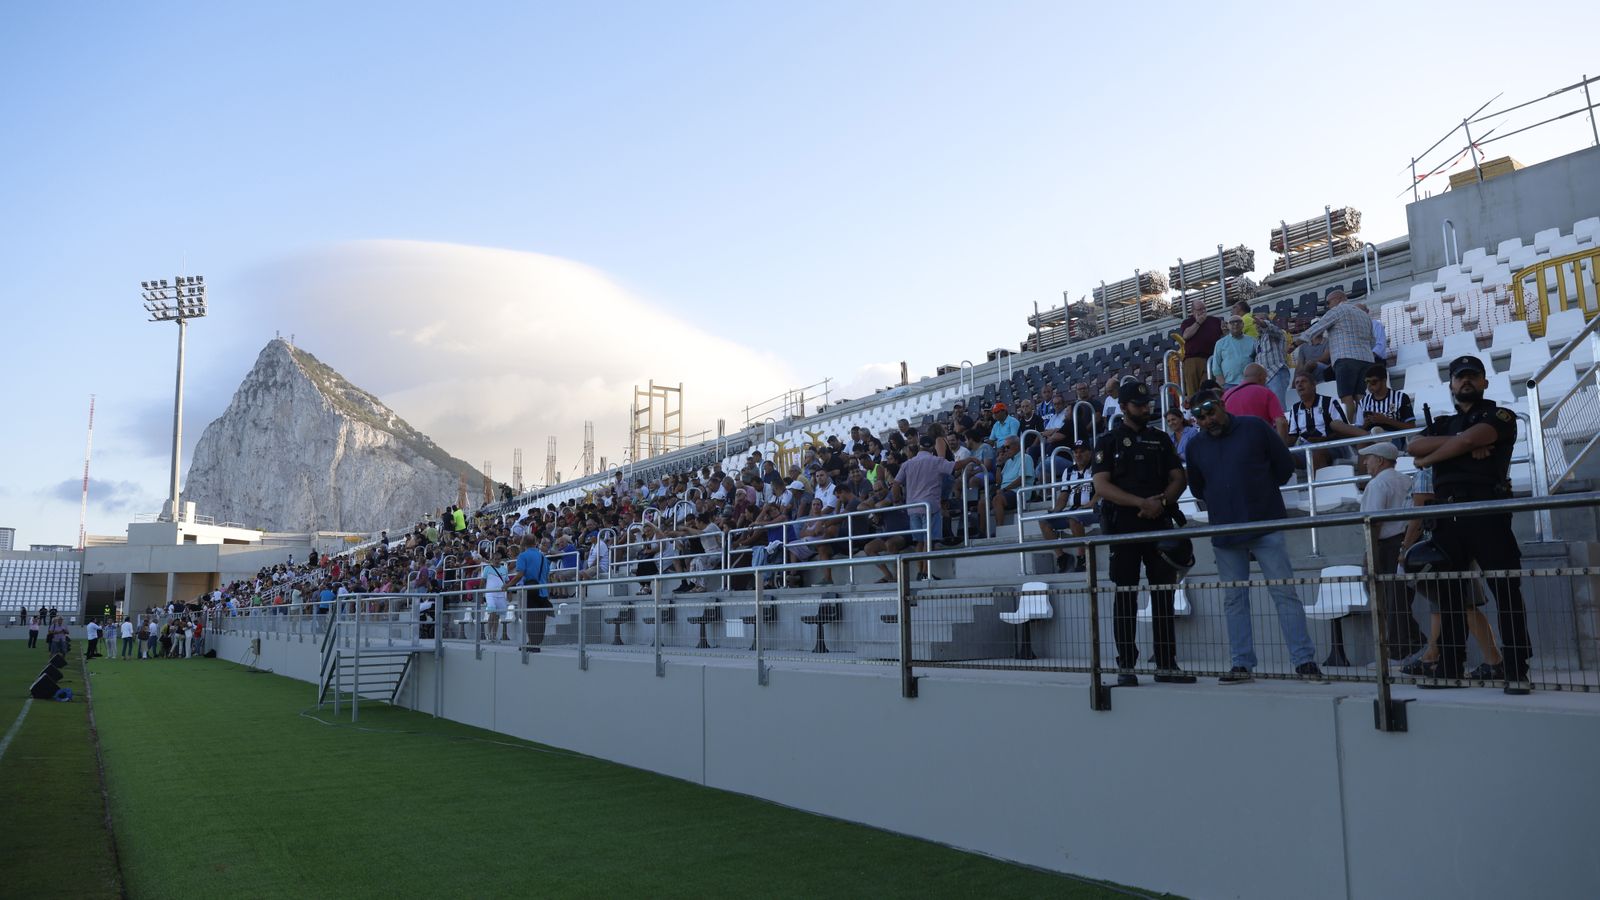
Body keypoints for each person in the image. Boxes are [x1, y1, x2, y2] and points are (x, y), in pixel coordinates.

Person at [1405, 355, 1531, 693]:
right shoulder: (1443, 422)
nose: (1466, 382)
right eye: (1460, 377)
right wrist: (1463, 444)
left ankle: (1517, 670)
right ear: (1451, 384)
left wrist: (1429, 459)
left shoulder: (1499, 415)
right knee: (1449, 597)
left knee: (1506, 591)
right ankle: (1448, 666)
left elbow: (1449, 445)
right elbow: (1412, 444)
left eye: (1472, 376)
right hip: (1448, 517)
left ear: (1484, 381)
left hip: (1487, 512)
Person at [1183, 392, 1321, 683]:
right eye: (1201, 416)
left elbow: (1283, 467)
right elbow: (1198, 488)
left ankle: (1304, 660)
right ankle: (1241, 664)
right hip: (1225, 533)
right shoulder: (1195, 446)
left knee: (1285, 594)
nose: (1208, 420)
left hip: (1265, 526)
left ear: (1222, 406)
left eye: (1210, 412)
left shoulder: (1255, 427)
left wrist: (1257, 494)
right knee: (1234, 600)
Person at [1091, 382, 1195, 686]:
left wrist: (1160, 502)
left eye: (1147, 403)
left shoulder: (1160, 439)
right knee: (1125, 596)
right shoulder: (1108, 441)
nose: (1146, 409)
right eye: (1138, 405)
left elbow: (1179, 477)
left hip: (1158, 523)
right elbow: (1102, 486)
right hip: (1124, 527)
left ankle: (1166, 664)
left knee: (1163, 595)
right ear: (1124, 408)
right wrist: (1141, 503)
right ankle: (1127, 665)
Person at [1397, 462, 1505, 680]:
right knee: (1441, 605)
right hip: (1452, 542)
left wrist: (1406, 546)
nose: (1412, 452)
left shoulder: (1429, 473)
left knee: (1465, 605)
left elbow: (1420, 511)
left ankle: (1494, 661)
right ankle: (1432, 655)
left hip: (1443, 547)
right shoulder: (1449, 470)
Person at [1356, 443, 1426, 661]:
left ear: (1380, 460)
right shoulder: (1406, 479)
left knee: (1391, 600)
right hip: (1409, 539)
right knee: (1398, 598)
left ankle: (1399, 652)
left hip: (1387, 545)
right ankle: (1414, 643)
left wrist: (1369, 552)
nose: (1365, 462)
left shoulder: (1378, 483)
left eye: (1369, 458)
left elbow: (1373, 522)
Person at [896, 435, 981, 579]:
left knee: (919, 541)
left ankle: (921, 572)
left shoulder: (907, 464)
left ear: (920, 447)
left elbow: (896, 484)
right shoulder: (935, 461)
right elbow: (955, 466)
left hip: (913, 507)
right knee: (929, 541)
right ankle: (925, 573)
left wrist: (898, 500)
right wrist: (970, 459)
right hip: (930, 507)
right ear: (932, 448)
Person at [1297, 289, 1374, 422]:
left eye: (1328, 302)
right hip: (1366, 359)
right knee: (1361, 396)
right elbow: (1372, 341)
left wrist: (1296, 342)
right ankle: (1366, 426)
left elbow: (1318, 327)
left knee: (1346, 398)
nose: (1327, 306)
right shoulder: (1364, 315)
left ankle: (1349, 431)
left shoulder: (1338, 310)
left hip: (1345, 359)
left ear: (1338, 299)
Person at [1285, 371, 1366, 470]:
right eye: (1297, 383)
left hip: (1331, 445)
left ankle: (1318, 485)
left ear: (1313, 385)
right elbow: (1292, 437)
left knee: (1317, 454)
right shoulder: (1295, 408)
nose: (1300, 385)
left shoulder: (1329, 402)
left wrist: (1323, 439)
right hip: (1306, 448)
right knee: (1282, 457)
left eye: (1303, 381)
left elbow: (1343, 431)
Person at [1039, 440, 1098, 573]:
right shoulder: (1069, 471)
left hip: (1093, 510)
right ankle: (1062, 557)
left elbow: (1101, 490)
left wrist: (1091, 503)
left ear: (1090, 453)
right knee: (1044, 521)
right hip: (1075, 510)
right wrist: (1055, 511)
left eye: (1082, 451)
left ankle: (1082, 557)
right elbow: (1064, 496)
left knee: (1073, 517)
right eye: (1075, 452)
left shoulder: (1097, 468)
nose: (1078, 455)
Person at [505, 537, 553, 652]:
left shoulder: (523, 556)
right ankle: (535, 643)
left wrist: (508, 585)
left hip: (528, 591)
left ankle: (532, 643)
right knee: (540, 619)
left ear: (523, 543)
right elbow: (547, 576)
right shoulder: (542, 557)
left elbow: (520, 574)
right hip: (542, 590)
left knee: (528, 617)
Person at [1222, 363, 1289, 442]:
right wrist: (1281, 449)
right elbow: (1281, 422)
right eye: (1265, 379)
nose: (1266, 382)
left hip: (1233, 448)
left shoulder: (1226, 395)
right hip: (1259, 447)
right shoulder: (1266, 393)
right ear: (1260, 377)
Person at [1178, 298, 1223, 396]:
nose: (1202, 311)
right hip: (1192, 360)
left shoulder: (1215, 321)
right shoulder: (1187, 322)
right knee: (1193, 392)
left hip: (1210, 359)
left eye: (1204, 309)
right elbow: (1186, 336)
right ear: (1193, 311)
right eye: (1199, 309)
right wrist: (1198, 322)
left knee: (1207, 390)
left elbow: (1223, 336)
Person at [1355, 364, 1414, 437]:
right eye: (1367, 382)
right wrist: (1366, 424)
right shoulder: (1363, 402)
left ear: (1384, 381)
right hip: (1369, 437)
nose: (1369, 385)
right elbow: (1357, 431)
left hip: (1392, 437)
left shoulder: (1401, 398)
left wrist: (1386, 420)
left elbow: (1411, 427)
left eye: (1373, 382)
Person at [1210, 313, 1257, 389]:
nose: (1235, 324)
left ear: (1243, 324)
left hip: (1248, 382)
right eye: (1232, 322)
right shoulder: (1220, 343)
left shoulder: (1252, 341)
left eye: (1238, 321)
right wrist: (1222, 382)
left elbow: (1257, 361)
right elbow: (1216, 366)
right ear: (1228, 326)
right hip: (1228, 384)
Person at [481, 549, 510, 643]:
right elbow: (483, 581)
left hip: (501, 595)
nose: (497, 561)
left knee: (497, 616)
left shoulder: (504, 569)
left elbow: (507, 582)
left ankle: (494, 635)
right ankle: (488, 634)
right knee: (492, 613)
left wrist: (509, 594)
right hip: (490, 594)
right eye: (495, 559)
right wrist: (481, 595)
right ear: (492, 559)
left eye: (499, 559)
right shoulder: (487, 569)